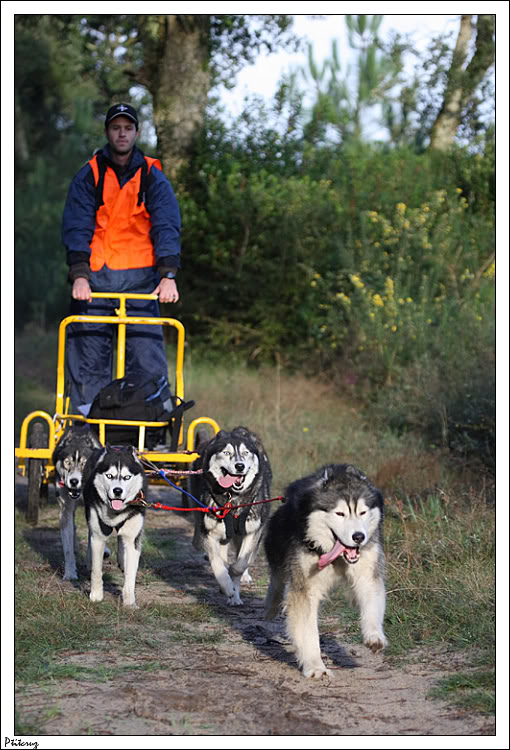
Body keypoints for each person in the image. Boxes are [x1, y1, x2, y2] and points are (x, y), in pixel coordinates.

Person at [62, 103, 181, 414]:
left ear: (137, 132)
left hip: (141, 281)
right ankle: (86, 433)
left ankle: (150, 430)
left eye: (128, 127)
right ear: (107, 132)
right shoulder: (90, 174)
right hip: (95, 281)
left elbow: (166, 223)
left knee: (147, 359)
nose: (122, 133)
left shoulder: (152, 175)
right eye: (116, 127)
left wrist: (168, 275)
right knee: (88, 360)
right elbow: (76, 224)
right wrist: (79, 274)